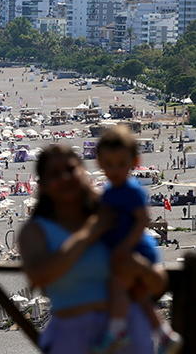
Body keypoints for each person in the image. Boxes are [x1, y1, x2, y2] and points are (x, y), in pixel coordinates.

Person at [18, 145, 168, 354]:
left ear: (83, 172)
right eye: (54, 173)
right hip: (73, 335)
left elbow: (158, 282)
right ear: (42, 184)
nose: (64, 177)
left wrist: (140, 268)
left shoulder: (112, 214)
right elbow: (38, 276)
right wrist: (88, 234)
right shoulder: (35, 230)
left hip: (129, 333)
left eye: (70, 170)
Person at [95, 126, 182, 353]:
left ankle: (116, 331)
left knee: (117, 285)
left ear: (134, 161)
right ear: (100, 163)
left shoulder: (130, 191)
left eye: (120, 164)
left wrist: (124, 247)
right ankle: (165, 335)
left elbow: (143, 219)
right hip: (131, 248)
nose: (114, 170)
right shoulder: (109, 191)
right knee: (139, 295)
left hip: (137, 249)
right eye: (109, 164)